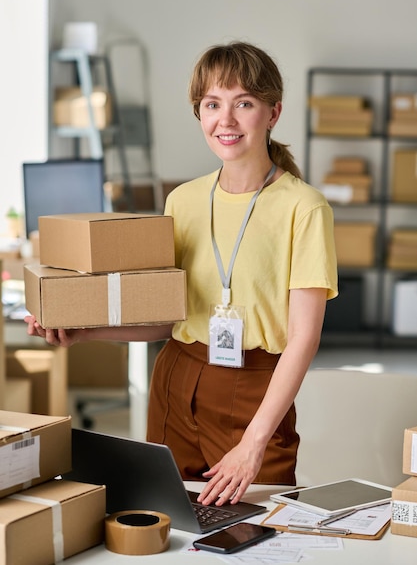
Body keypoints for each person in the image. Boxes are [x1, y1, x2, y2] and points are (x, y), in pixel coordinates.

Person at [25, 41, 338, 507]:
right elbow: (169, 319)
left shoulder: (304, 207)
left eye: (243, 103)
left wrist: (252, 445)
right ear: (199, 113)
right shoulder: (183, 201)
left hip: (254, 389)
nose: (225, 121)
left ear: (272, 113)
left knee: (259, 531)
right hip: (176, 376)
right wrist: (86, 331)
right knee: (167, 521)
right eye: (212, 104)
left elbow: (303, 338)